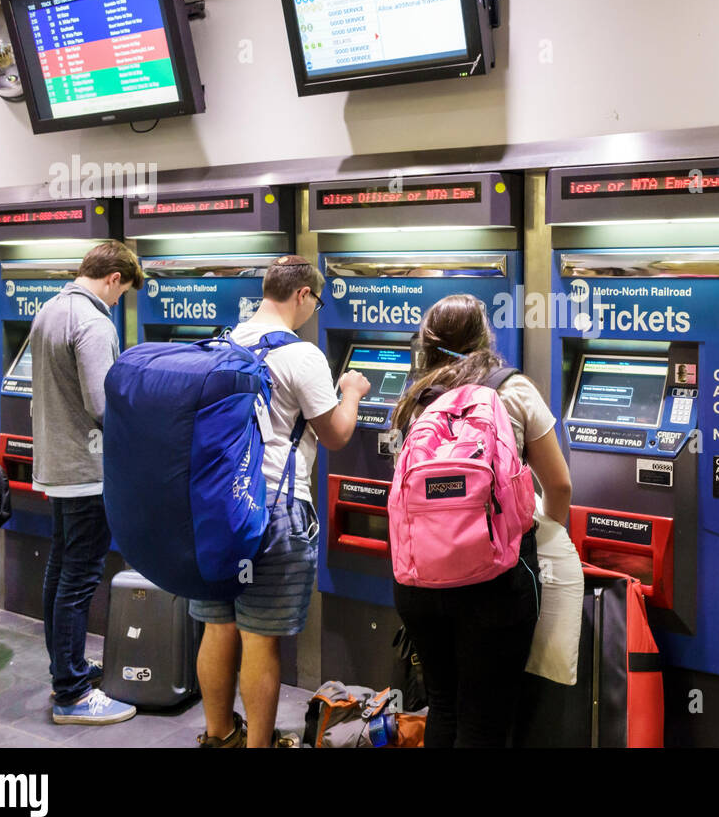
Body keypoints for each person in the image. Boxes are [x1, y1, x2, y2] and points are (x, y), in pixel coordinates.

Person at [191, 255, 369, 748]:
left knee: (217, 625)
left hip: (217, 506)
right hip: (274, 508)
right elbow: (334, 434)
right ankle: (259, 746)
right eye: (317, 300)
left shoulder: (223, 341)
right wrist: (351, 390)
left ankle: (219, 733)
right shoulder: (303, 355)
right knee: (259, 638)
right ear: (304, 295)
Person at [391, 293, 573, 747]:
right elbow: (560, 485)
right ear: (484, 337)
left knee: (444, 704)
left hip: (420, 580)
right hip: (493, 581)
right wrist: (543, 535)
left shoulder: (415, 395)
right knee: (485, 717)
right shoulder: (512, 389)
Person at [31, 240, 142, 725]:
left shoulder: (50, 310)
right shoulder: (94, 321)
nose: (119, 303)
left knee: (61, 569)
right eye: (122, 293)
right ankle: (72, 694)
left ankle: (67, 667)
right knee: (78, 577)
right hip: (86, 469)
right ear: (114, 278)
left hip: (57, 461)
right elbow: (102, 404)